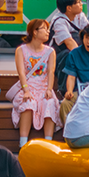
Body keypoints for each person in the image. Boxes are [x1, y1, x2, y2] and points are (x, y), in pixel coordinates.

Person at [11, 19, 59, 147]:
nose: (48, 32)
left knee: (49, 103)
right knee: (28, 103)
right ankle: (23, 143)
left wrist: (49, 89)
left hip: (44, 87)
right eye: (44, 29)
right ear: (35, 32)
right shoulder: (21, 50)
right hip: (28, 87)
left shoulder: (50, 51)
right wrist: (26, 90)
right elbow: (21, 73)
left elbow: (50, 72)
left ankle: (48, 143)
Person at [47, 0, 88, 87]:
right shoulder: (59, 21)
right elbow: (69, 42)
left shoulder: (80, 15)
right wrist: (82, 57)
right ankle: (63, 88)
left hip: (76, 51)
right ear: (69, 8)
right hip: (58, 58)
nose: (81, 4)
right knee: (69, 55)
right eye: (78, 2)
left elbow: (88, 32)